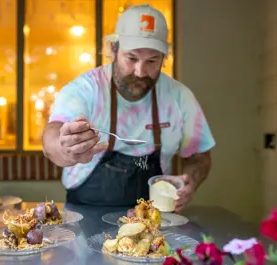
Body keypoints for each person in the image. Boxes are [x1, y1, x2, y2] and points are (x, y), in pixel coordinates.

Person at [42, 4, 215, 213]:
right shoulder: (86, 89)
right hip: (85, 215)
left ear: (164, 58)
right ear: (114, 50)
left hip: (154, 219)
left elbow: (200, 156)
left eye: (152, 60)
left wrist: (190, 183)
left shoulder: (179, 97)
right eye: (131, 58)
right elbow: (52, 139)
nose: (140, 72)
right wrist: (66, 148)